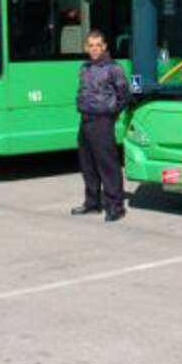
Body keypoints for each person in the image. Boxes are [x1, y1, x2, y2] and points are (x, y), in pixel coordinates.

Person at [72, 29, 129, 222]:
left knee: (108, 165)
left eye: (98, 45)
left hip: (102, 121)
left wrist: (111, 113)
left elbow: (124, 95)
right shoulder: (85, 68)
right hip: (85, 120)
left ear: (104, 47)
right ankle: (92, 203)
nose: (95, 49)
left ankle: (115, 207)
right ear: (86, 47)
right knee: (87, 165)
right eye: (91, 45)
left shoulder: (113, 68)